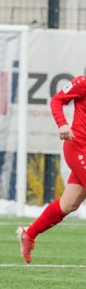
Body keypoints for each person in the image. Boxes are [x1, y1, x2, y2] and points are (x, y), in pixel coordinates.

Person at [18, 75, 86, 263]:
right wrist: (63, 124)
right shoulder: (83, 83)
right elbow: (57, 100)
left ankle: (28, 234)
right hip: (79, 148)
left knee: (69, 204)